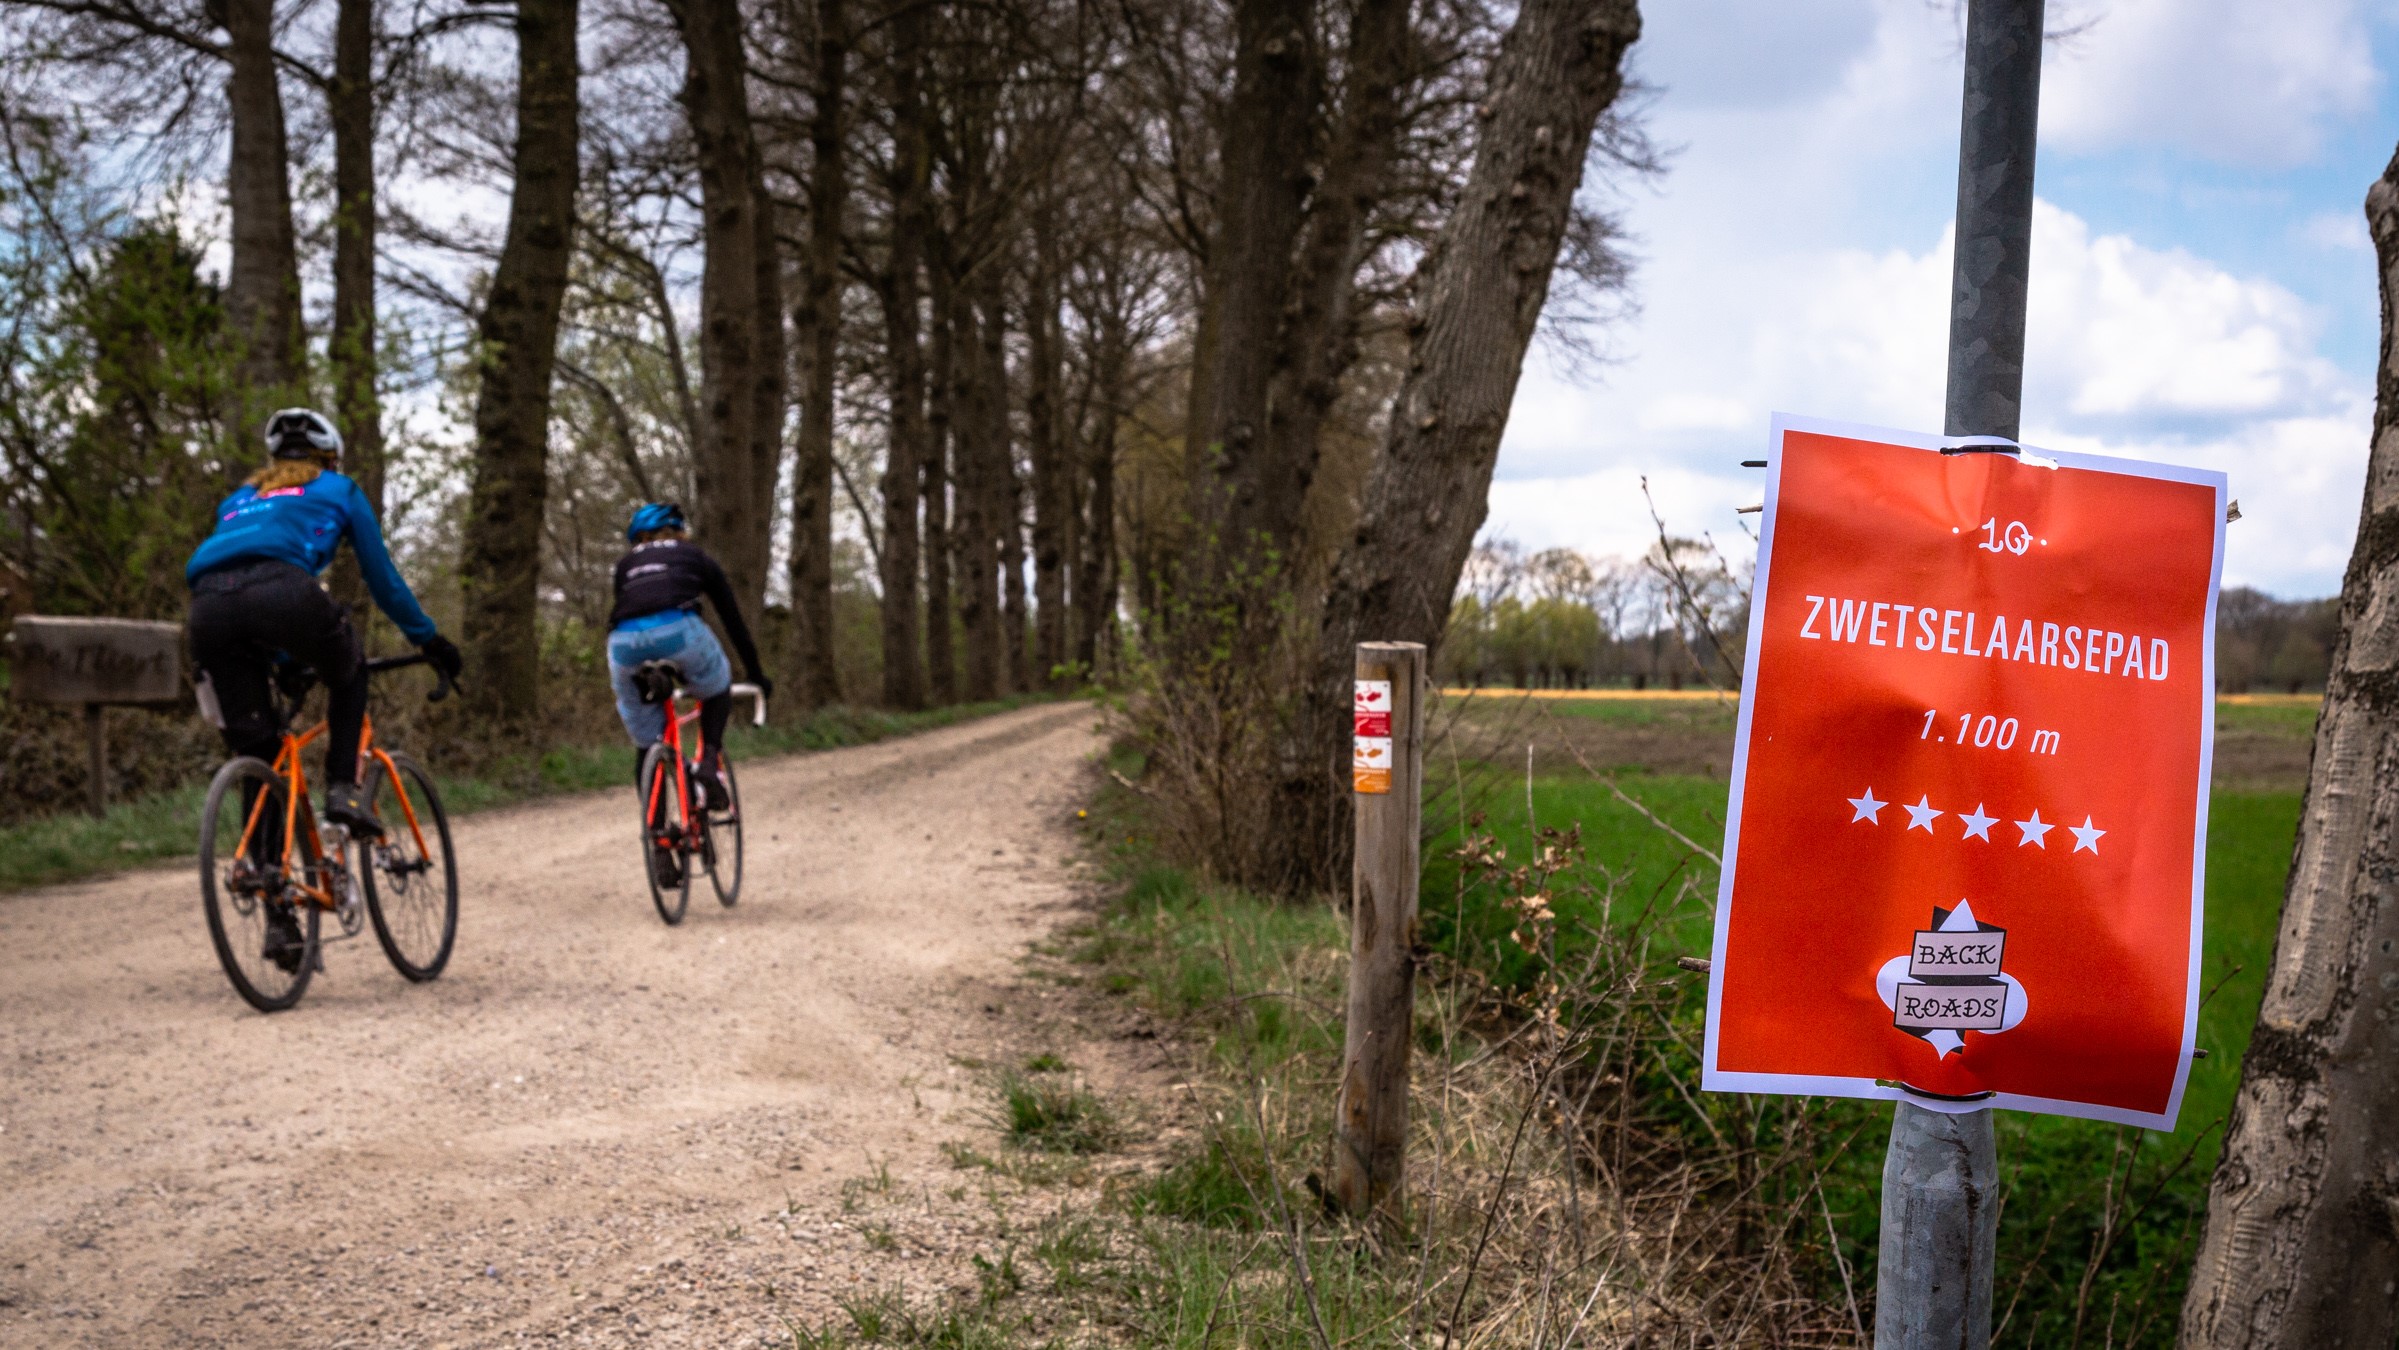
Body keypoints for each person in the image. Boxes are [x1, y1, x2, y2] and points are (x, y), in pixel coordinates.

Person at [187, 409, 463, 968]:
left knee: (258, 755)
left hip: (208, 610)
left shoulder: (238, 499)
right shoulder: (339, 488)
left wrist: (285, 660)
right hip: (284, 594)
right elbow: (380, 577)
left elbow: (239, 584)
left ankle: (279, 919)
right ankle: (342, 789)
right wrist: (429, 639)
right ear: (329, 458)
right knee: (348, 666)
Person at [606, 503, 770, 830]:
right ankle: (709, 763)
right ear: (680, 532)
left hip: (623, 644)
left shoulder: (626, 564)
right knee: (716, 686)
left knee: (646, 744)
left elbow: (627, 612)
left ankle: (659, 841)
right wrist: (756, 673)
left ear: (637, 538)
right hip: (679, 632)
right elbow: (732, 619)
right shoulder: (694, 556)